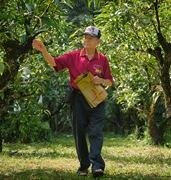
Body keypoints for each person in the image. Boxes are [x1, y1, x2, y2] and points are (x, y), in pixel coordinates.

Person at [33, 26, 113, 178]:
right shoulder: (73, 56)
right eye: (85, 37)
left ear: (98, 42)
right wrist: (43, 50)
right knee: (79, 132)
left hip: (97, 99)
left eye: (90, 38)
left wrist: (101, 80)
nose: (87, 40)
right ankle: (84, 165)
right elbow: (53, 62)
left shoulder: (102, 59)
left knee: (96, 131)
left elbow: (109, 82)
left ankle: (97, 166)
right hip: (78, 99)